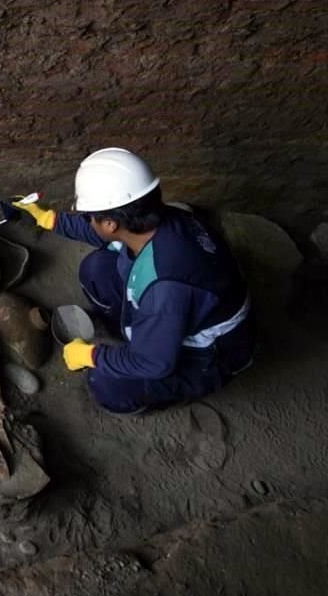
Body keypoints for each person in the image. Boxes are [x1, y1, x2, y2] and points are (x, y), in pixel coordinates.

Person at [13, 147, 255, 415]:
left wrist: (92, 356)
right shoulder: (163, 218)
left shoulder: (166, 289)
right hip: (181, 305)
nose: (86, 220)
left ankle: (156, 395)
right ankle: (130, 337)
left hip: (212, 353)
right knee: (97, 269)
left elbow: (154, 362)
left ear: (110, 224)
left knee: (108, 384)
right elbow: (102, 232)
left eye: (88, 216)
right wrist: (51, 219)